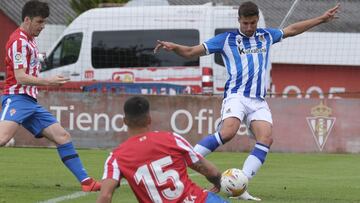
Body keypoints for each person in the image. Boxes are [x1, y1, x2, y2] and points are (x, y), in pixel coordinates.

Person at [154, 1, 340, 200]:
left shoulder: (266, 36)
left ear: (257, 20)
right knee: (228, 132)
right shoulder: (226, 40)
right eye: (245, 23)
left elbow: (292, 29)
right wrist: (174, 47)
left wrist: (322, 19)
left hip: (258, 101)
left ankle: (240, 187)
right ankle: (180, 163)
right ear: (239, 21)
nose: (249, 27)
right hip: (237, 96)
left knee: (266, 138)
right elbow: (191, 52)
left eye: (252, 23)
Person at [0, 0, 100, 192]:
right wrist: (49, 82)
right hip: (18, 98)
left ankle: (86, 182)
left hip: (30, 102)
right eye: (39, 22)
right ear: (27, 20)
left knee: (62, 136)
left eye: (44, 22)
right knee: (2, 139)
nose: (43, 26)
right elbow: (20, 77)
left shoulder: (29, 40)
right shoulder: (18, 41)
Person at [97, 96, 228, 203]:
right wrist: (218, 184)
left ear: (124, 121)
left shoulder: (116, 157)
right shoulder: (172, 139)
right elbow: (211, 171)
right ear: (149, 119)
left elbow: (105, 196)